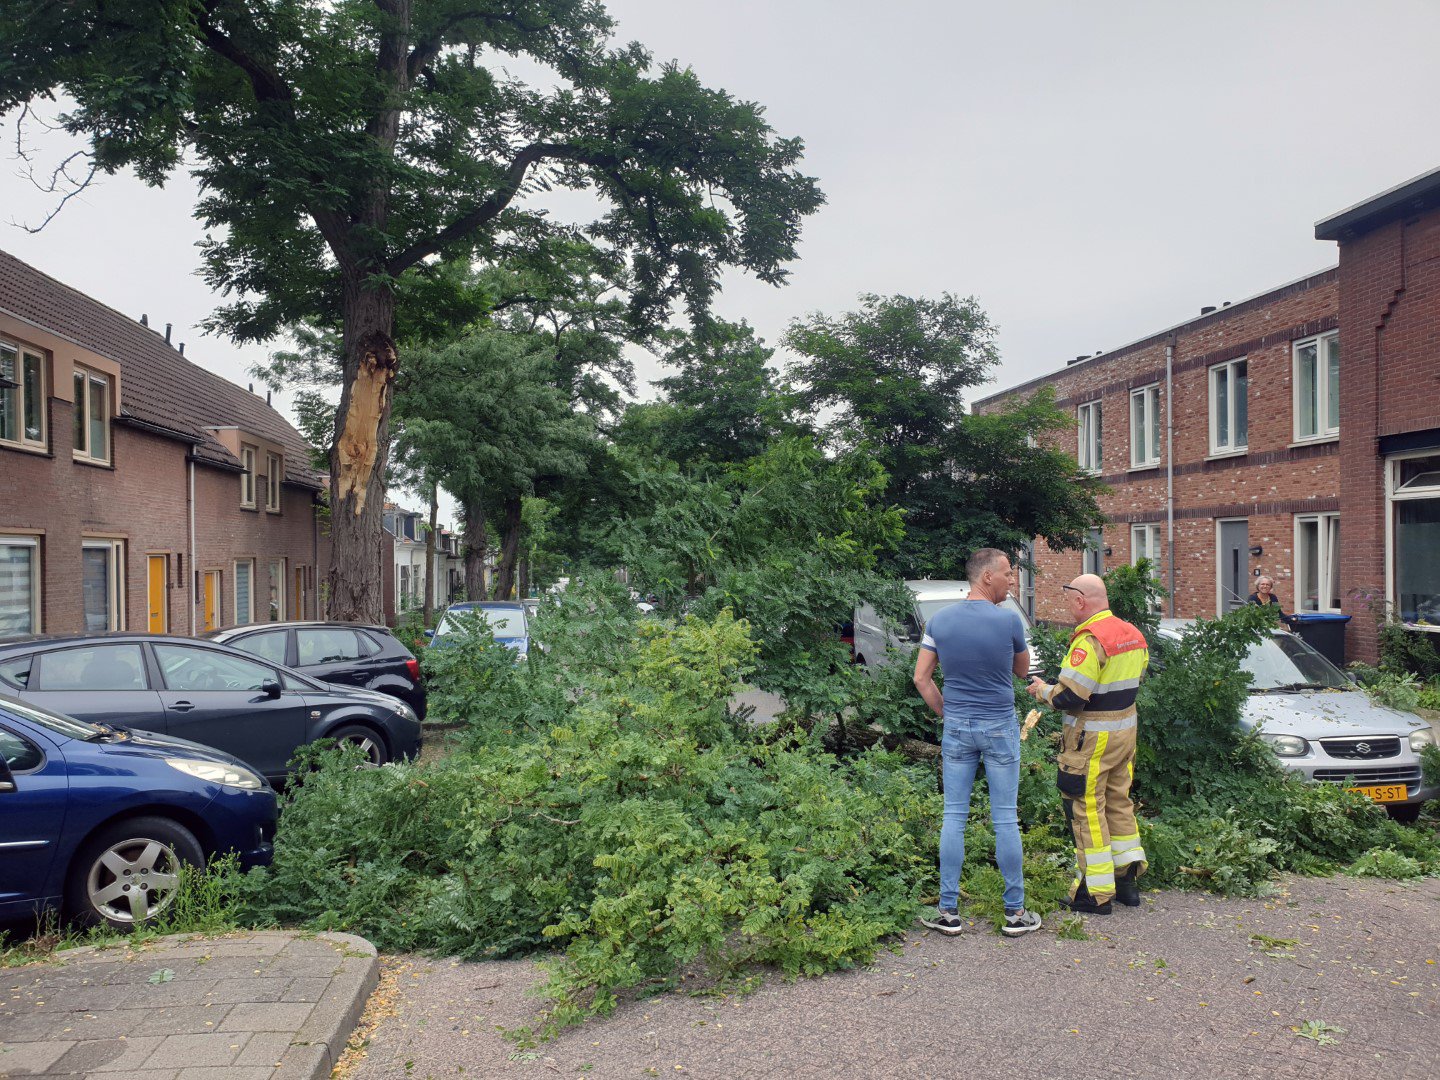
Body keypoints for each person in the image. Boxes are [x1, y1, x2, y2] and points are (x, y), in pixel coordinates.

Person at [913, 548, 1042, 938]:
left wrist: (947, 713)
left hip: (958, 726)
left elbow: (921, 678)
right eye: (1007, 573)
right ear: (987, 577)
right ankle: (1015, 914)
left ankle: (948, 912)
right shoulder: (1008, 621)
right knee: (1005, 818)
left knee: (954, 817)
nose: (1011, 580)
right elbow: (1022, 670)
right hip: (999, 726)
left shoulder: (939, 621)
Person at [1026, 574, 1149, 915]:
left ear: (1080, 600)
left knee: (1085, 809)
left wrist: (1042, 690)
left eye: (1069, 601)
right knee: (1119, 802)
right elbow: (1128, 683)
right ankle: (1127, 884)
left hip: (1091, 738)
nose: (1068, 607)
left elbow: (1071, 696)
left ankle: (1095, 894)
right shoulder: (1132, 634)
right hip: (1125, 732)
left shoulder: (1090, 640)